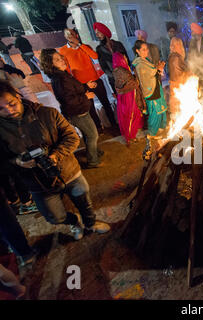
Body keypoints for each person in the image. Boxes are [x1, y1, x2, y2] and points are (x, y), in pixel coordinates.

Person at [0, 80, 111, 241]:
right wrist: (18, 162)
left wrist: (55, 155)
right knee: (54, 217)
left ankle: (91, 223)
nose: (9, 111)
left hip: (68, 172)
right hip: (37, 183)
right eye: (1, 109)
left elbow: (72, 137)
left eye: (11, 104)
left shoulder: (47, 113)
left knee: (84, 203)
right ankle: (74, 221)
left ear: (18, 95)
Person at [40, 48, 104, 169]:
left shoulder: (62, 74)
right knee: (92, 135)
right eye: (57, 60)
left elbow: (72, 90)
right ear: (50, 64)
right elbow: (69, 100)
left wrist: (85, 86)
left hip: (81, 109)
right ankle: (93, 160)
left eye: (61, 57)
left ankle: (94, 151)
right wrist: (86, 95)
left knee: (88, 133)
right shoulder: (60, 78)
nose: (62, 61)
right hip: (77, 112)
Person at [59, 28, 117, 129]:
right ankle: (98, 128)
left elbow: (94, 56)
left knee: (106, 103)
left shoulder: (84, 46)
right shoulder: (63, 50)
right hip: (82, 83)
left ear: (76, 35)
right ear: (65, 37)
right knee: (90, 108)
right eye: (68, 35)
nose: (71, 37)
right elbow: (67, 69)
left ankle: (114, 124)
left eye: (72, 34)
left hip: (95, 79)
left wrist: (80, 45)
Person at [132, 40, 167, 137]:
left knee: (161, 109)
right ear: (137, 51)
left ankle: (161, 128)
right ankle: (152, 134)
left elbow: (153, 71)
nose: (146, 51)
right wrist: (158, 68)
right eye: (143, 50)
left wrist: (158, 69)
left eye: (146, 49)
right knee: (155, 113)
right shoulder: (139, 63)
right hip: (150, 90)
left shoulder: (145, 60)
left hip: (155, 87)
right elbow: (150, 73)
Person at [112, 52, 144, 144]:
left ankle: (132, 134)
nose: (125, 58)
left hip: (126, 97)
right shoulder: (122, 71)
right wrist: (137, 78)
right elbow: (132, 83)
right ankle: (130, 136)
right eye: (123, 57)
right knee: (131, 115)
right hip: (129, 97)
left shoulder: (116, 70)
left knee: (130, 115)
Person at [93, 22, 129, 92]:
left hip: (126, 77)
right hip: (114, 80)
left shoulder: (118, 44)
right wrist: (114, 76)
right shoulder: (99, 49)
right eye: (96, 33)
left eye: (98, 32)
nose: (97, 35)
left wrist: (126, 73)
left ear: (104, 32)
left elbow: (126, 59)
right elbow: (103, 67)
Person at [168, 37, 188, 117]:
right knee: (179, 107)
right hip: (178, 85)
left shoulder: (173, 56)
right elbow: (182, 71)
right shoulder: (176, 57)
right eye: (178, 45)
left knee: (177, 107)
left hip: (175, 85)